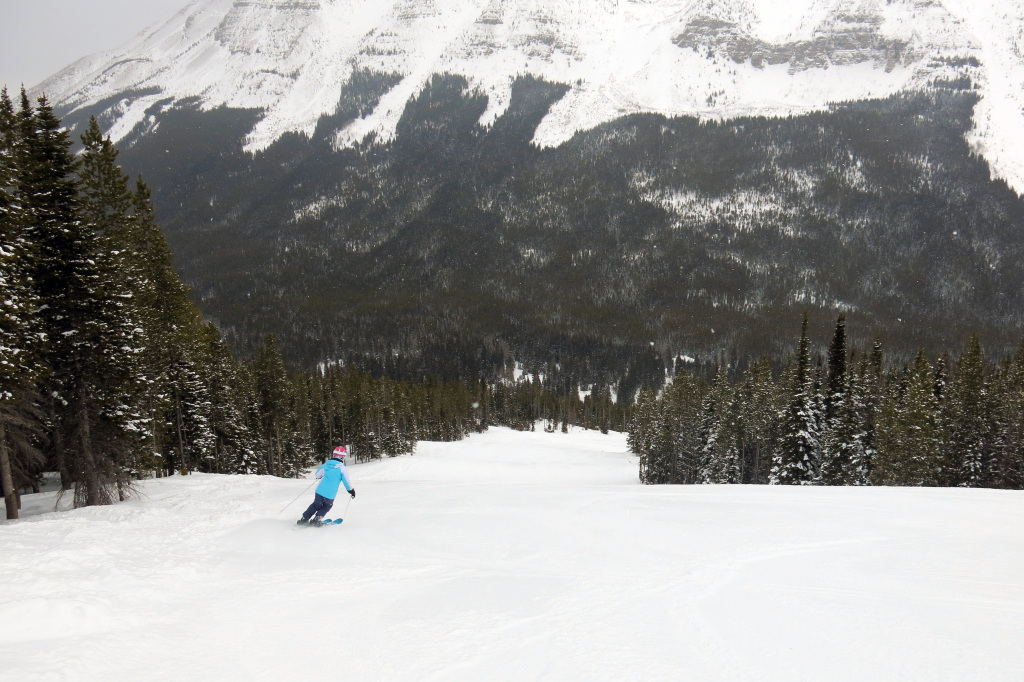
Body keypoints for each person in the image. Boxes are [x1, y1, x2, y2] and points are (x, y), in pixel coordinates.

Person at [298, 445, 356, 526]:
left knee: (316, 505)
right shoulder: (342, 468)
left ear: (334, 454)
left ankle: (304, 518)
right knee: (327, 506)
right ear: (343, 457)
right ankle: (317, 519)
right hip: (330, 494)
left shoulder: (326, 465)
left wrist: (322, 475)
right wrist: (351, 490)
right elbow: (346, 482)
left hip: (319, 491)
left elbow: (317, 475)